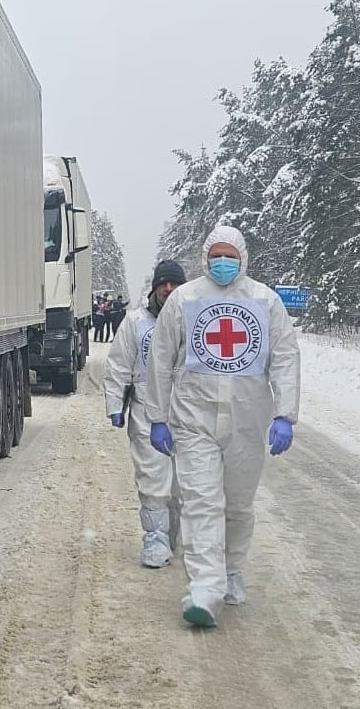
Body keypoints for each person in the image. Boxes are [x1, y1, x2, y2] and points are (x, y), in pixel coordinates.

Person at [144, 225, 300, 628]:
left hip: (247, 422)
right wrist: (157, 417)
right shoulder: (185, 298)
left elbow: (284, 357)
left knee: (238, 504)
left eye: (231, 255)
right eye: (217, 254)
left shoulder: (265, 301)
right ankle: (204, 589)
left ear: (244, 257)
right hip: (194, 419)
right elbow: (160, 360)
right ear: (205, 257)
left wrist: (285, 413)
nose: (223, 262)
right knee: (201, 503)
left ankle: (231, 569)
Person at [104, 261, 187, 568]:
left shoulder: (192, 321)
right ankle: (155, 538)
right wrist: (115, 404)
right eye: (163, 284)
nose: (168, 289)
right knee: (153, 479)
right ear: (154, 288)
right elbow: (118, 365)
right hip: (146, 412)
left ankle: (172, 535)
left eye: (175, 284)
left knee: (183, 481)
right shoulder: (135, 322)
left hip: (189, 412)